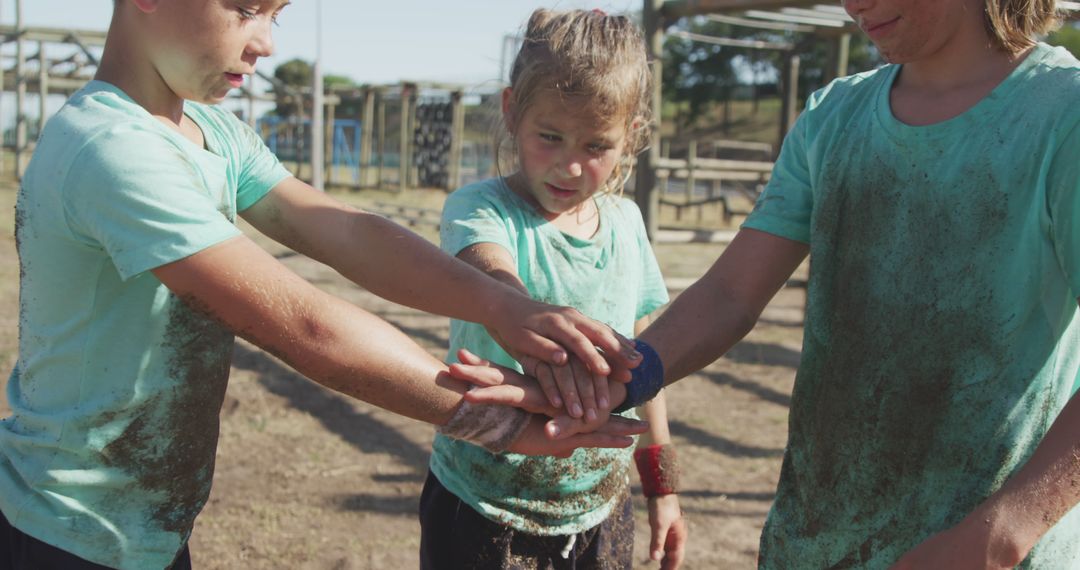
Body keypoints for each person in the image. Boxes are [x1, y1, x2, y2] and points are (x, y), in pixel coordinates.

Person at [0, 1, 650, 569]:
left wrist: (503, 306)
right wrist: (493, 424)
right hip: (63, 528)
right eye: (246, 7)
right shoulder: (112, 149)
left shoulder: (209, 130)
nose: (267, 42)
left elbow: (346, 232)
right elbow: (305, 327)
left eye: (277, 14)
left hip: (142, 525)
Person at [463, 0, 1080, 567]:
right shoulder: (835, 116)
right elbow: (732, 294)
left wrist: (1000, 534)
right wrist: (609, 382)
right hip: (814, 542)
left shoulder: (1062, 116)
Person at [418, 9, 687, 570]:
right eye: (550, 137)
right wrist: (524, 312)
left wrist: (661, 486)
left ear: (630, 135)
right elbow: (489, 274)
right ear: (512, 109)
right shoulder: (481, 208)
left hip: (599, 510)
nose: (570, 165)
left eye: (596, 146)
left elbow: (647, 359)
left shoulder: (627, 224)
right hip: (479, 503)